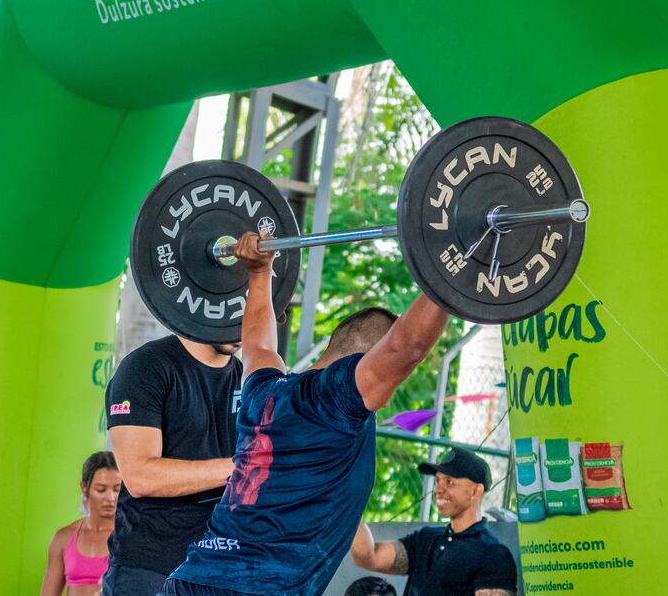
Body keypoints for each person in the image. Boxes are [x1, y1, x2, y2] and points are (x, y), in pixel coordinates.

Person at [163, 232, 450, 596]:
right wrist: (455, 267)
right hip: (259, 588)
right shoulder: (338, 398)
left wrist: (260, 270)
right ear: (367, 359)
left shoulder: (263, 391)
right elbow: (408, 347)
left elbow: (258, 343)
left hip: (192, 578)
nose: (388, 388)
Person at [104, 323, 243, 594]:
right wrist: (245, 467)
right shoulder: (145, 366)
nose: (241, 325)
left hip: (220, 568)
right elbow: (140, 476)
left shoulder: (248, 378)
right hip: (150, 569)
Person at [350, 449, 517, 596]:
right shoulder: (427, 538)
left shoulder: (492, 554)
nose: (438, 489)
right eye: (438, 481)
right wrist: (345, 503)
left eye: (449, 482)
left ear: (475, 491)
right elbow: (369, 557)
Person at [41, 451, 122, 596]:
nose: (111, 497)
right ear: (84, 488)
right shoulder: (63, 538)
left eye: (117, 489)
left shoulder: (129, 538)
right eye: (101, 489)